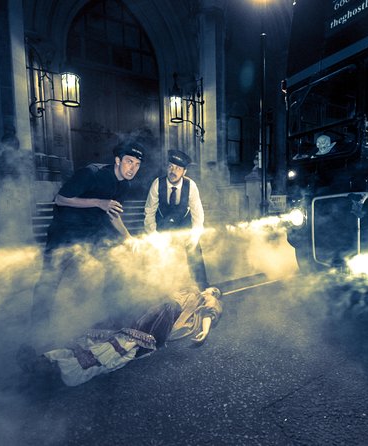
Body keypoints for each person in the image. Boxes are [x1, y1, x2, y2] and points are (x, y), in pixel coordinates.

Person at [31, 143, 144, 344]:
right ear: (117, 160)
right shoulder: (92, 173)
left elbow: (113, 213)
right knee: (50, 280)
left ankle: (113, 319)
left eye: (137, 164)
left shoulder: (123, 185)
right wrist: (98, 202)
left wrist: (128, 237)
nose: (132, 168)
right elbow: (60, 199)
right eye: (128, 162)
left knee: (116, 265)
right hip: (64, 233)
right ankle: (37, 331)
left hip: (93, 234)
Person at [17, 287, 223, 387]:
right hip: (152, 315)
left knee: (113, 346)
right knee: (99, 338)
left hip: (158, 325)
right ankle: (45, 360)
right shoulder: (189, 288)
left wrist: (204, 331)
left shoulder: (207, 299)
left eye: (215, 291)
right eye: (212, 289)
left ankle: (51, 371)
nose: (211, 290)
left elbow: (209, 314)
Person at [143, 149, 209, 289]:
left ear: (184, 172)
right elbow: (149, 211)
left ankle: (202, 286)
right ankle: (160, 288)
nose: (173, 171)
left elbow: (198, 213)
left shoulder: (191, 185)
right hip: (162, 224)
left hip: (184, 224)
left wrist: (194, 236)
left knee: (194, 250)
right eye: (170, 166)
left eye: (178, 168)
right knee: (159, 256)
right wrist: (153, 235)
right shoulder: (157, 183)